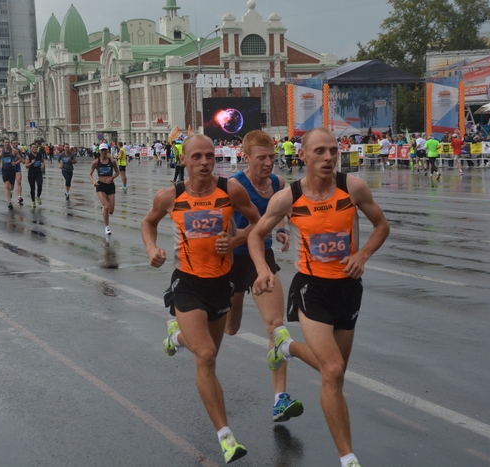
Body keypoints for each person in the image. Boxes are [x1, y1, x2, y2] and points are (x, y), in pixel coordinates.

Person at [248, 128, 390, 467]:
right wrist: (261, 270)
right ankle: (348, 458)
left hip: (348, 288)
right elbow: (256, 235)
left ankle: (286, 347)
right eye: (320, 152)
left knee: (334, 377)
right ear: (304, 156)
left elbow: (382, 225)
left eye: (333, 151)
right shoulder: (288, 198)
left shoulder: (352, 187)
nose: (328, 157)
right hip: (311, 288)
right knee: (334, 367)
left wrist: (363, 255)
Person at [141, 134, 261, 464]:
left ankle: (177, 337)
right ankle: (226, 437)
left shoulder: (230, 190)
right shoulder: (170, 196)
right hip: (188, 282)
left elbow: (257, 222)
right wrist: (152, 249)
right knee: (205, 355)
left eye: (210, 156)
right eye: (197, 157)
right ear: (184, 160)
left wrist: (236, 239)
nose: (205, 162)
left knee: (209, 356)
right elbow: (148, 223)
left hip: (221, 283)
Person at [223, 130, 304, 423]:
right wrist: (236, 241)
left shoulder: (278, 183)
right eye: (262, 158)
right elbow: (232, 229)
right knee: (231, 328)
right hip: (235, 261)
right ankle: (183, 333)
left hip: (263, 260)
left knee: (276, 326)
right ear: (247, 158)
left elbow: (277, 214)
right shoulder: (235, 185)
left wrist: (280, 230)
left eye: (272, 156)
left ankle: (280, 399)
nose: (269, 163)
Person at [89, 143, 120, 235]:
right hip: (100, 185)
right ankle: (107, 227)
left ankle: (104, 209)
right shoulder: (95, 162)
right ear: (99, 151)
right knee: (106, 206)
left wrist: (112, 178)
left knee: (111, 211)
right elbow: (89, 174)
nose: (103, 152)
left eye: (105, 150)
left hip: (110, 186)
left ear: (107, 151)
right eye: (102, 150)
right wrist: (94, 182)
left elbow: (117, 173)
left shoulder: (112, 161)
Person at [0, 139, 22, 210]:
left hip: (12, 170)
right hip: (4, 170)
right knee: (6, 186)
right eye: (6, 142)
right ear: (3, 143)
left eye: (8, 142)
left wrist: (15, 163)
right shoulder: (0, 151)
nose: (7, 144)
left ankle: (10, 192)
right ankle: (9, 202)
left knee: (11, 187)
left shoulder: (14, 151)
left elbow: (20, 159)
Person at [25, 143, 45, 207]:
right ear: (30, 149)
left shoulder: (40, 155)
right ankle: (33, 201)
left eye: (36, 147)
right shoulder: (28, 156)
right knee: (32, 188)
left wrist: (42, 165)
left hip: (38, 173)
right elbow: (26, 166)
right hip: (31, 174)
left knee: (40, 185)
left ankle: (38, 196)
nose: (35, 148)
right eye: (33, 147)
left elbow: (42, 161)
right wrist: (31, 163)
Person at [11, 139, 25, 205]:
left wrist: (23, 161)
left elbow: (21, 158)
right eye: (14, 143)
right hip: (10, 169)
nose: (15, 144)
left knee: (19, 182)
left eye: (16, 143)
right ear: (11, 144)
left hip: (17, 168)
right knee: (11, 185)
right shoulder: (9, 151)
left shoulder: (19, 151)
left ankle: (19, 197)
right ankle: (10, 191)